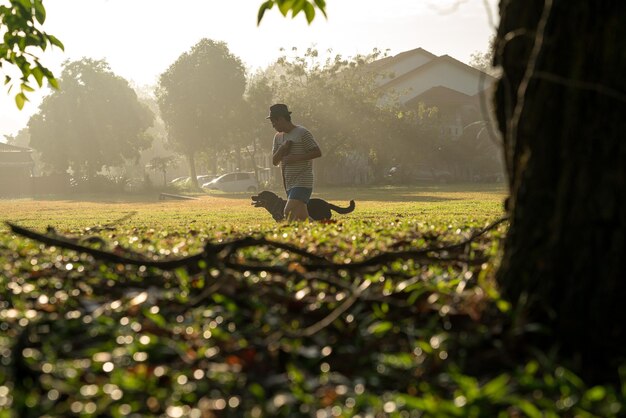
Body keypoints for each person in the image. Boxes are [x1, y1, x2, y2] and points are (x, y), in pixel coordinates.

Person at [267, 104, 321, 221]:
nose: (273, 125)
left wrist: (296, 158)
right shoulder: (277, 137)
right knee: (303, 218)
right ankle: (326, 234)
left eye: (273, 122)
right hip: (289, 183)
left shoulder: (302, 133)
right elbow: (274, 161)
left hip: (303, 181)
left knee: (288, 212)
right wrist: (281, 149)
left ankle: (289, 237)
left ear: (281, 118)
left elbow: (317, 152)